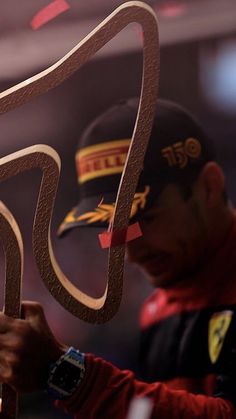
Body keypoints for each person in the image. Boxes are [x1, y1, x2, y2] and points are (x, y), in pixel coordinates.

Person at [0, 98, 236, 418]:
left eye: (146, 220)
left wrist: (65, 374)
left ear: (209, 186)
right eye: (112, 231)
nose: (131, 254)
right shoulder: (157, 311)